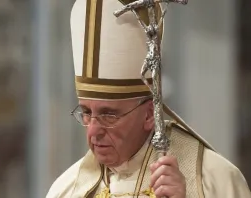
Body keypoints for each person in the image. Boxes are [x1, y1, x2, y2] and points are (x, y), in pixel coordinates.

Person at [46, 0, 251, 197]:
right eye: (87, 113)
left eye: (109, 115)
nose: (93, 131)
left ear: (149, 114)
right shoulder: (66, 190)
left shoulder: (214, 180)